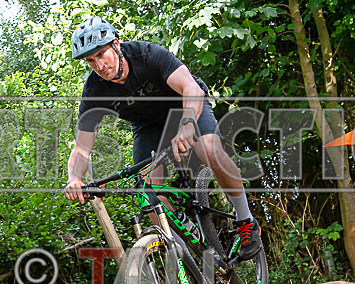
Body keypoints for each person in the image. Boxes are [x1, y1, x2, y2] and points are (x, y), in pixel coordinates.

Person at [62, 16, 262, 260]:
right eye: (90, 60)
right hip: (149, 126)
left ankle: (246, 220)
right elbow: (82, 147)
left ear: (116, 43)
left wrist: (188, 123)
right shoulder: (94, 91)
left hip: (185, 107)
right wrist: (75, 178)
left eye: (101, 54)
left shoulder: (147, 54)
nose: (99, 65)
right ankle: (185, 256)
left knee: (208, 149)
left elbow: (191, 88)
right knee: (147, 190)